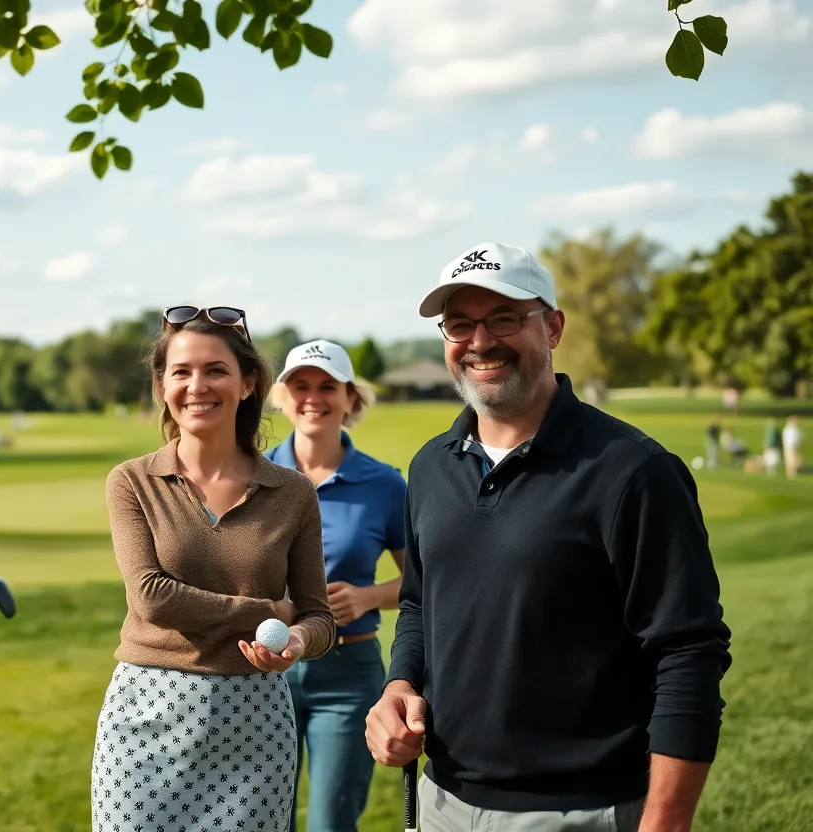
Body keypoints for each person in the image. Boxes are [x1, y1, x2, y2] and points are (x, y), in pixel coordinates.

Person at [365, 242, 733, 832]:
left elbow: (688, 653)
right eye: (459, 324)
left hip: (580, 811)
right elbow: (417, 604)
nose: (480, 342)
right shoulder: (431, 465)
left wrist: (664, 822)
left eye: (505, 319)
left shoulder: (634, 471)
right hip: (441, 802)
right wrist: (399, 684)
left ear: (553, 327)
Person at [92, 305, 336, 832]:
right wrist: (268, 611)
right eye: (180, 372)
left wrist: (296, 641)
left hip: (254, 726)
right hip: (145, 718)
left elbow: (318, 618)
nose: (196, 385)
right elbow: (152, 597)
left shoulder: (294, 493)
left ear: (248, 384)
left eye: (215, 370)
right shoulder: (132, 481)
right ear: (162, 386)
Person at [265, 339, 406, 832]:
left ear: (350, 398)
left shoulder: (385, 484)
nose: (313, 397)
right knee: (260, 819)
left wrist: (369, 597)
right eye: (300, 385)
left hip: (348, 677)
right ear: (281, 396)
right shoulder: (252, 475)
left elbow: (423, 579)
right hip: (261, 674)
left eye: (328, 386)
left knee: (331, 824)